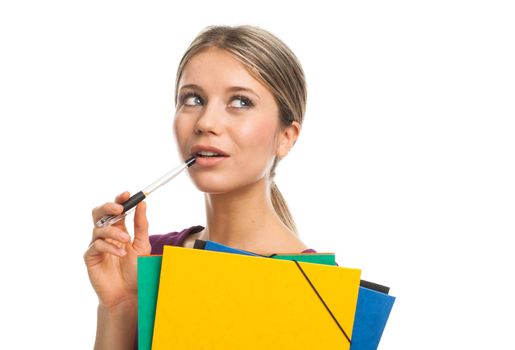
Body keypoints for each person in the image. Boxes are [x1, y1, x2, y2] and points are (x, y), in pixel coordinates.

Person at [84, 25, 316, 349]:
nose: (205, 123)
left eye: (240, 102)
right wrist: (119, 306)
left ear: (287, 136)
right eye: (193, 99)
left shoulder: (321, 292)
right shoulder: (147, 260)